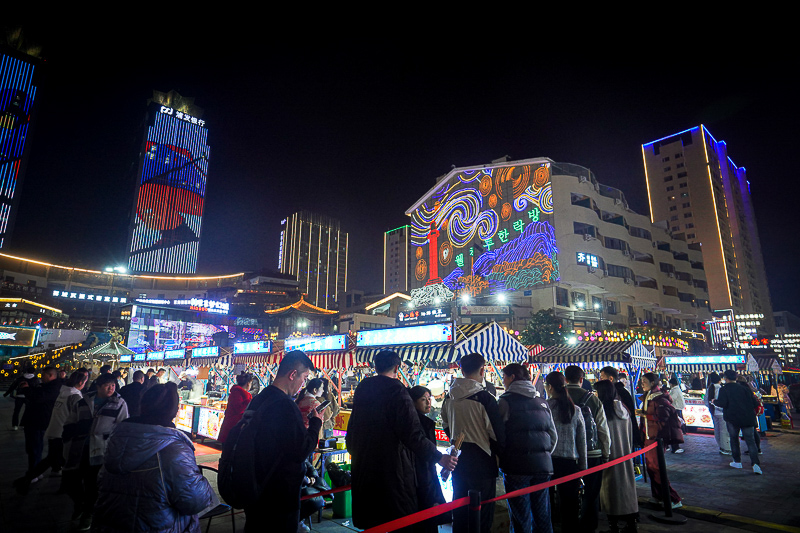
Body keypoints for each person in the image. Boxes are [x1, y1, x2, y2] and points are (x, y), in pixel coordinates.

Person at [347, 350, 457, 531]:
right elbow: (412, 434)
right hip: (392, 472)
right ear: (397, 367)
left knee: (373, 523)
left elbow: (353, 429)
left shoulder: (363, 388)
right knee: (399, 522)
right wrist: (439, 457)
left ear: (375, 366)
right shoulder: (397, 390)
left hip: (364, 467)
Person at [92, 382, 215, 532]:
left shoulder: (117, 439)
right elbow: (196, 501)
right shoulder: (174, 450)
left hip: (109, 524)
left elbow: (100, 483)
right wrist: (202, 483)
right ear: (174, 411)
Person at [242, 351, 323, 532]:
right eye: (304, 377)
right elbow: (301, 450)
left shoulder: (259, 399)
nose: (304, 383)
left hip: (255, 487)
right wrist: (316, 423)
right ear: (293, 374)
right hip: (278, 495)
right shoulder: (285, 405)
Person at [442, 352, 505, 533]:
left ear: (461, 369)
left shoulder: (449, 396)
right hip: (483, 462)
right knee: (482, 514)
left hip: (458, 460)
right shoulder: (485, 399)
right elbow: (497, 434)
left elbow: (446, 424)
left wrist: (456, 439)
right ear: (482, 369)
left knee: (460, 510)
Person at [62, 373, 129, 530]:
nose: (111, 388)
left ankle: (88, 513)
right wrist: (69, 435)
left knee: (92, 483)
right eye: (107, 385)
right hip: (78, 447)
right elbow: (70, 421)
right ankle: (80, 504)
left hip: (101, 449)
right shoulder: (83, 401)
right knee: (70, 481)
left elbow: (122, 426)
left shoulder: (119, 403)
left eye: (113, 385)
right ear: (98, 386)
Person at [498, 363, 556, 533]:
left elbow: (498, 435)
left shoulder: (505, 401)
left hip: (516, 468)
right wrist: (543, 454)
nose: (503, 381)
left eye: (504, 377)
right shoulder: (542, 401)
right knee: (542, 515)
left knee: (520, 517)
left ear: (512, 378)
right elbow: (553, 436)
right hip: (543, 468)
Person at [14, 370, 89, 493]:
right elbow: (77, 416)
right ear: (81, 382)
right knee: (59, 460)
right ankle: (29, 479)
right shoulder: (75, 395)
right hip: (63, 433)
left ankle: (29, 479)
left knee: (54, 459)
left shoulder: (63, 390)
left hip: (55, 429)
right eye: (85, 382)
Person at [564, 365, 611, 533]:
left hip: (567, 454)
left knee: (567, 493)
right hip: (592, 453)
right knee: (591, 493)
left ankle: (569, 525)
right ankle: (589, 526)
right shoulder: (593, 400)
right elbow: (603, 430)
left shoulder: (556, 398)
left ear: (565, 379)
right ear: (582, 380)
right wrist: (606, 453)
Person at [595, 380, 639, 533]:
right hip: (625, 455)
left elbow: (604, 436)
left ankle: (613, 527)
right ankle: (631, 524)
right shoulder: (623, 409)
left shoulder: (604, 410)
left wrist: (605, 455)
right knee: (627, 488)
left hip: (611, 456)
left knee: (610, 491)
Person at [545, 371, 586, 532]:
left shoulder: (545, 407)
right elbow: (581, 441)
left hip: (549, 460)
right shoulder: (575, 409)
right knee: (570, 506)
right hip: (570, 462)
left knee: (547, 503)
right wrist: (583, 467)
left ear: (549, 387)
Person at [637, 372, 682, 508]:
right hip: (648, 437)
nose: (642, 383)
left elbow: (664, 417)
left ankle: (674, 499)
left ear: (652, 383)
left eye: (644, 381)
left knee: (657, 469)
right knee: (651, 468)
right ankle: (658, 496)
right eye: (641, 381)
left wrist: (644, 414)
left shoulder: (659, 398)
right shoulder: (648, 397)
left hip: (656, 438)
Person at [409, 385, 450, 533]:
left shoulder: (421, 422)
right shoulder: (418, 425)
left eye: (429, 399)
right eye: (423, 399)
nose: (428, 403)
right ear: (413, 402)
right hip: (422, 480)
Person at [713, 370, 762, 474]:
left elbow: (722, 403)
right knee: (750, 441)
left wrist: (714, 401)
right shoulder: (745, 389)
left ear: (725, 378)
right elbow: (754, 403)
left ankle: (737, 461)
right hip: (747, 418)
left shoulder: (724, 389)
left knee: (734, 439)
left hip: (732, 418)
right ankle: (756, 465)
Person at [18, 366, 62, 480]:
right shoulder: (49, 386)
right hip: (39, 420)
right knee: (36, 447)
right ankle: (37, 471)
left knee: (35, 448)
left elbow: (38, 398)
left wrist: (27, 389)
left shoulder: (53, 388)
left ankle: (34, 473)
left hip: (37, 420)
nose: (41, 378)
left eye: (43, 375)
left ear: (50, 375)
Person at [599, 366, 642, 448]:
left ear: (611, 378)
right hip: (626, 433)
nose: (600, 380)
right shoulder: (622, 391)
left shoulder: (614, 393)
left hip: (618, 433)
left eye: (602, 378)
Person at [218, 371, 253, 444]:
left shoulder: (236, 391)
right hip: (233, 427)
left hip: (232, 426)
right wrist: (249, 401)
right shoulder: (238, 393)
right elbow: (239, 409)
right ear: (248, 383)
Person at [706, 373, 731, 455]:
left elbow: (706, 401)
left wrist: (711, 407)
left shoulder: (710, 388)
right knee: (724, 431)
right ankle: (726, 448)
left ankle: (721, 446)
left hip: (714, 413)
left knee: (717, 430)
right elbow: (721, 402)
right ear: (719, 380)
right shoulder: (720, 388)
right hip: (721, 413)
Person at [668, 376, 687, 445]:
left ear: (671, 384)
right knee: (680, 418)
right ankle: (683, 430)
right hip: (677, 406)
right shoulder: (676, 389)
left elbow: (673, 398)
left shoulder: (675, 389)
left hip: (677, 406)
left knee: (678, 419)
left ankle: (682, 430)